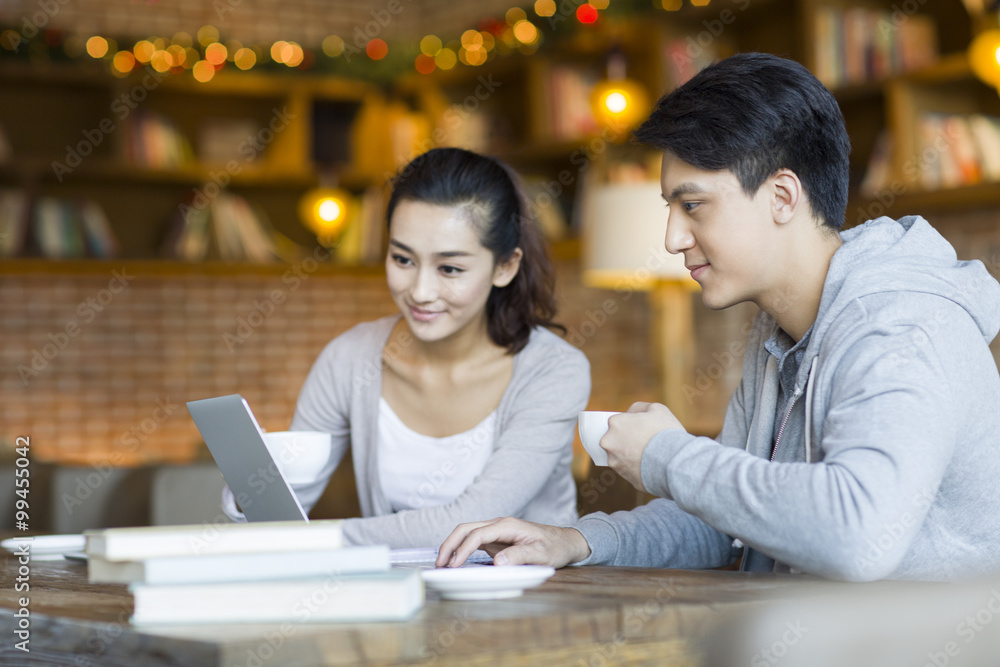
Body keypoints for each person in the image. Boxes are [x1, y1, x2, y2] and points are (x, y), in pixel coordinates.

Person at [436, 53, 1000, 582]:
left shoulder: (904, 325)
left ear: (782, 196)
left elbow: (860, 534)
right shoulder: (780, 331)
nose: (673, 237)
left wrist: (667, 455)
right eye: (671, 209)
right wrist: (576, 541)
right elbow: (727, 524)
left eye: (693, 205)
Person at [223, 147, 590, 548]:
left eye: (449, 268)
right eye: (402, 259)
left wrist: (320, 539)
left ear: (505, 267)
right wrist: (254, 487)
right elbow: (279, 521)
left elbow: (474, 520)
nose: (420, 291)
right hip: (398, 600)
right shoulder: (349, 359)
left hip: (536, 603)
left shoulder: (554, 370)